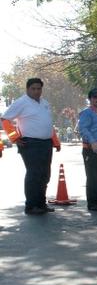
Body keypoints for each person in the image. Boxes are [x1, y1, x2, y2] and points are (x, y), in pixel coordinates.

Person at [1, 78, 60, 215]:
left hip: (46, 143)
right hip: (30, 144)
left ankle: (41, 204)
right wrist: (15, 137)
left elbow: (47, 124)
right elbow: (4, 119)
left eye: (39, 88)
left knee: (45, 175)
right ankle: (31, 206)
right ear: (27, 89)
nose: (36, 91)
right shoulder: (22, 102)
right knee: (34, 174)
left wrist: (55, 141)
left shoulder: (44, 103)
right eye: (33, 88)